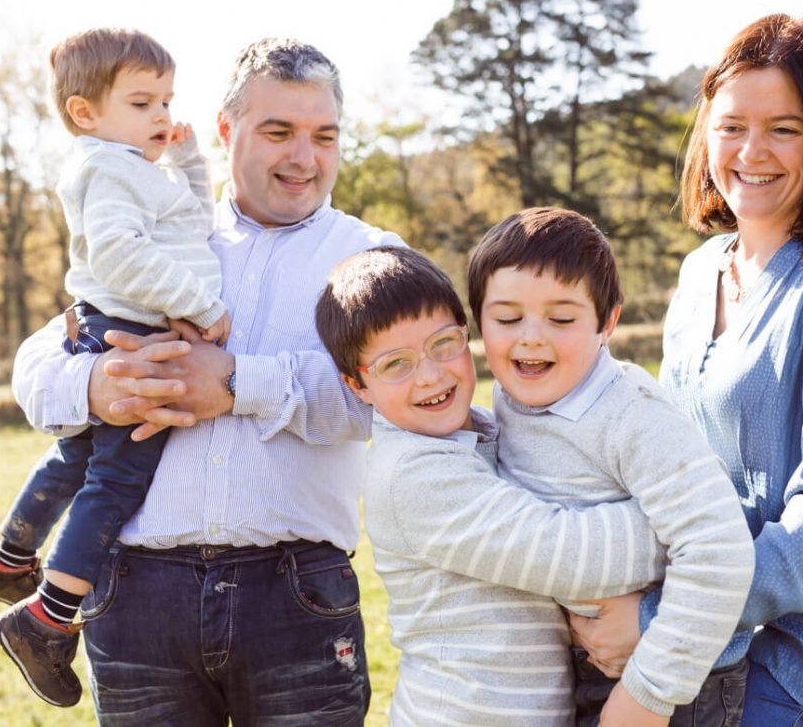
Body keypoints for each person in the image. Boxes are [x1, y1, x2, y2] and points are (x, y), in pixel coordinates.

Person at [4, 37, 402, 725]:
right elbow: (36, 368)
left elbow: (390, 403)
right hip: (133, 596)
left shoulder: (374, 258)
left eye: (324, 136)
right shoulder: (155, 231)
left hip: (297, 593)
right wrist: (97, 385)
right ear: (225, 130)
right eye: (278, 132)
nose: (303, 158)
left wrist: (239, 384)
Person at [570, 14, 803, 727]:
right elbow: (665, 465)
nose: (750, 151)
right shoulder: (701, 273)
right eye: (731, 125)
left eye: (785, 128)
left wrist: (661, 616)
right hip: (707, 648)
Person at [315, 245, 752, 726]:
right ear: (357, 385)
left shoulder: (485, 428)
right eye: (395, 364)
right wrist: (695, 523)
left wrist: (696, 515)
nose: (431, 374)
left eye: (444, 344)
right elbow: (569, 555)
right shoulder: (411, 476)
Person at [0, 27, 230, 708]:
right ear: (86, 113)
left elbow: (187, 223)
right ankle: (46, 619)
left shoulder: (134, 167)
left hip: (124, 325)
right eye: (143, 103)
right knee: (117, 480)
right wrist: (199, 303)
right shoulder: (105, 168)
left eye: (168, 100)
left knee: (76, 460)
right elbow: (120, 256)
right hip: (131, 336)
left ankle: (10, 558)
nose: (163, 116)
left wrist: (191, 159)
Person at [465, 207, 755, 726]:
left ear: (607, 322)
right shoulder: (511, 398)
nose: (531, 337)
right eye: (507, 319)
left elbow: (719, 549)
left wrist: (649, 692)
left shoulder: (631, 414)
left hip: (672, 670)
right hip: (583, 660)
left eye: (561, 319)